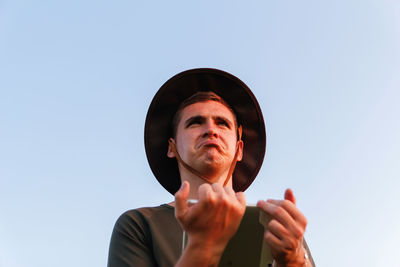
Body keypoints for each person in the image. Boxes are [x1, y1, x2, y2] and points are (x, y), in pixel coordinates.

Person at [108, 68, 315, 267]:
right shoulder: (140, 225)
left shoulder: (279, 229)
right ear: (171, 147)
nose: (210, 130)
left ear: (239, 149)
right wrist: (202, 247)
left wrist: (294, 261)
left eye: (222, 123)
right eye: (195, 123)